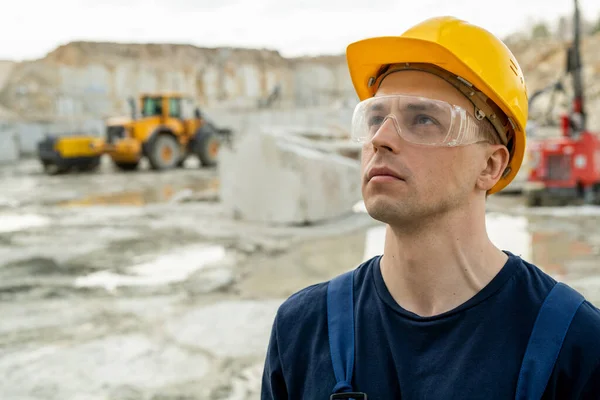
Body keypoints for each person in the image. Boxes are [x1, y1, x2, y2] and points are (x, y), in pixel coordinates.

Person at [261, 16, 600, 399]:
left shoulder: (575, 348)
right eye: (375, 117)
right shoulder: (303, 330)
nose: (381, 138)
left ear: (490, 165)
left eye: (423, 119)